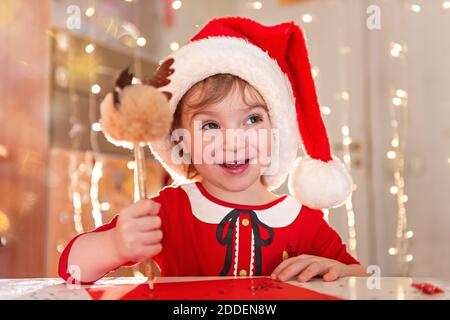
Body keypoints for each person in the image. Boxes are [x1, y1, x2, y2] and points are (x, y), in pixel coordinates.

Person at [59, 17, 367, 285]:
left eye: (252, 119)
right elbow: (72, 268)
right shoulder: (170, 211)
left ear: (279, 132)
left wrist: (337, 270)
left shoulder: (305, 223)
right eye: (210, 126)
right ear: (181, 141)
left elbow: (363, 281)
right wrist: (114, 245)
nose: (232, 141)